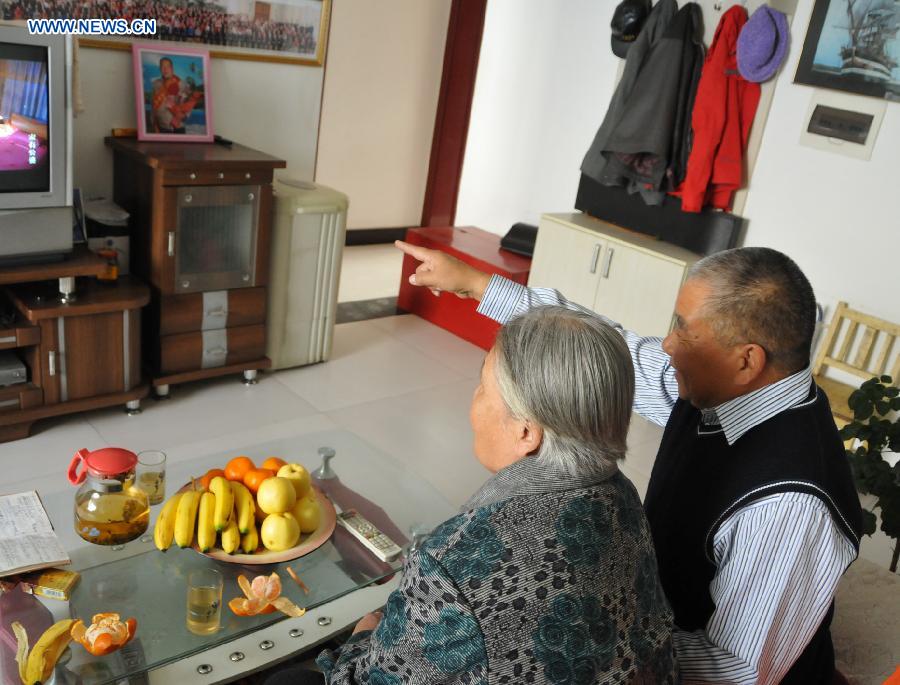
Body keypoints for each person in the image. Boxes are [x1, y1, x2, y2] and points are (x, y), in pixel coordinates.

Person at [396, 240, 863, 685]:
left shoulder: (792, 506)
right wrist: (479, 285)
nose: (667, 345)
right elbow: (613, 352)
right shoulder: (720, 385)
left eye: (683, 329)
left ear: (747, 361)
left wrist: (602, 647)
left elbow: (737, 671)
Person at [269, 306, 677, 684]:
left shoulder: (458, 563)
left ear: (526, 432)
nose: (472, 402)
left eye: (482, 386)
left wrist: (361, 638)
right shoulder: (621, 495)